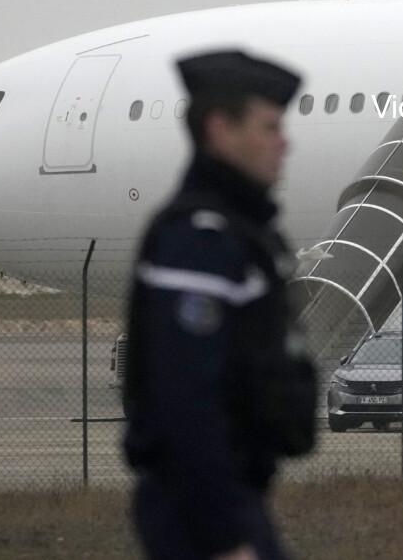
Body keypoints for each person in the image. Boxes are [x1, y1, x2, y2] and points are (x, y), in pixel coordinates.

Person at [123, 49, 317, 560]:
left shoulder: (242, 232)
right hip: (201, 506)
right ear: (220, 129)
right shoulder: (198, 240)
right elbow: (185, 401)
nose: (285, 143)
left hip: (234, 492)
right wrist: (223, 537)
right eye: (269, 127)